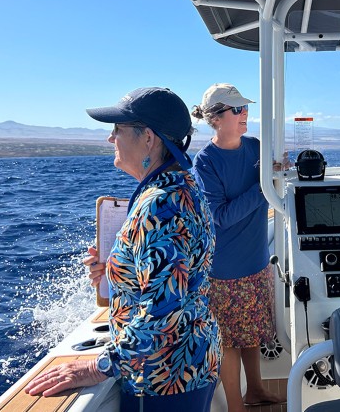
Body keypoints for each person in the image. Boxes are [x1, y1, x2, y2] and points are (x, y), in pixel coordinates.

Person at [25, 87, 221, 411]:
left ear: (148, 138)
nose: (110, 138)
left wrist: (98, 366)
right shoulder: (179, 185)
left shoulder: (161, 205)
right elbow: (168, 278)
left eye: (117, 129)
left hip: (164, 378)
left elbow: (164, 311)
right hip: (189, 363)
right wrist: (115, 270)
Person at [190, 83, 287, 412]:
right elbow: (221, 217)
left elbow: (272, 186)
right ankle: (235, 406)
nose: (244, 113)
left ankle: (256, 390)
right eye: (236, 109)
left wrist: (278, 173)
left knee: (252, 332)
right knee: (229, 342)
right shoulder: (205, 162)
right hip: (225, 270)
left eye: (244, 108)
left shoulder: (256, 147)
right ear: (215, 118)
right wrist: (264, 186)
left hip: (256, 260)